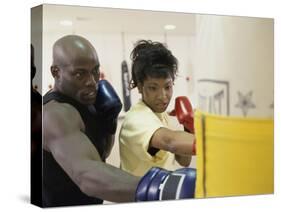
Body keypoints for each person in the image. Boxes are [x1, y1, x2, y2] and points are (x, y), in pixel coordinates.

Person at [43, 35, 196, 207]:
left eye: (95, 71)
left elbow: (101, 154)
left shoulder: (86, 101)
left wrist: (109, 123)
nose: (92, 82)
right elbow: (87, 174)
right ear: (56, 72)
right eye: (80, 74)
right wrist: (161, 188)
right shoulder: (54, 114)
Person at [119, 40, 196, 177]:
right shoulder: (136, 119)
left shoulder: (160, 114)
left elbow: (184, 161)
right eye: (153, 88)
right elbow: (170, 142)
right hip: (139, 196)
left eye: (167, 87)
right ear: (140, 86)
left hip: (160, 192)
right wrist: (220, 140)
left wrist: (188, 126)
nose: (163, 96)